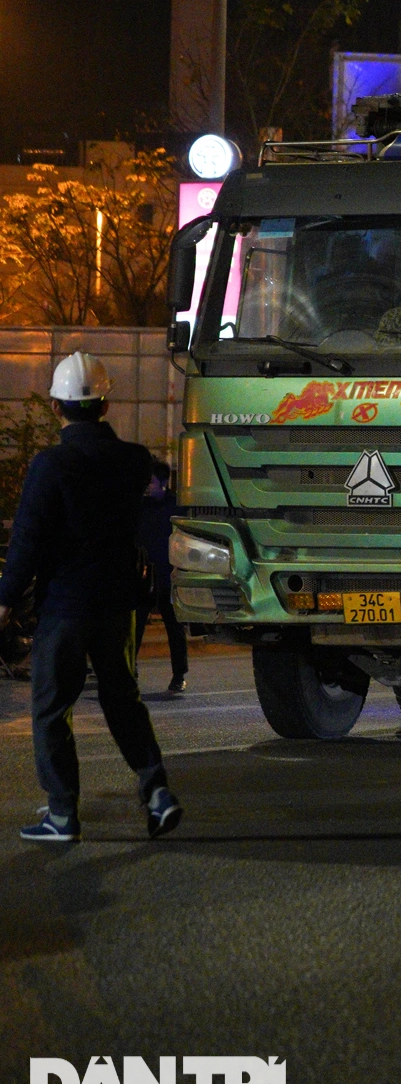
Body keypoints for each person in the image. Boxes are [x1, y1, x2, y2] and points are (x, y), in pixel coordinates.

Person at [2, 353, 181, 844]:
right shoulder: (134, 460)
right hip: (119, 604)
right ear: (105, 402)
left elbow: (28, 539)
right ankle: (157, 791)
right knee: (123, 700)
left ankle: (62, 814)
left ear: (58, 406)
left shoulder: (51, 464)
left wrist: (5, 598)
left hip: (65, 606)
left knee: (51, 708)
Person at [136, 460, 187, 701]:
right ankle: (128, 671)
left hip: (169, 576)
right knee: (133, 629)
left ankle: (179, 675)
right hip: (143, 577)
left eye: (151, 482)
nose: (146, 486)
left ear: (164, 482)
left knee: (174, 629)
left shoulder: (177, 506)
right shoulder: (138, 507)